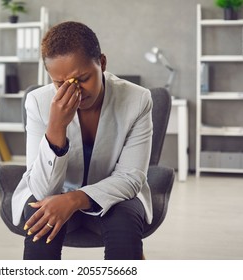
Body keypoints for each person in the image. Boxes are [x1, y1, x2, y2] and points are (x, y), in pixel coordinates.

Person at [11, 21, 153, 260]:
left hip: (113, 194)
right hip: (54, 191)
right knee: (41, 218)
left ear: (102, 63)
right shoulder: (38, 102)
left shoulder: (137, 100)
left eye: (83, 78)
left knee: (124, 223)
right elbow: (42, 188)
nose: (74, 91)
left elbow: (130, 177)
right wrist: (56, 126)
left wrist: (75, 199)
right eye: (59, 83)